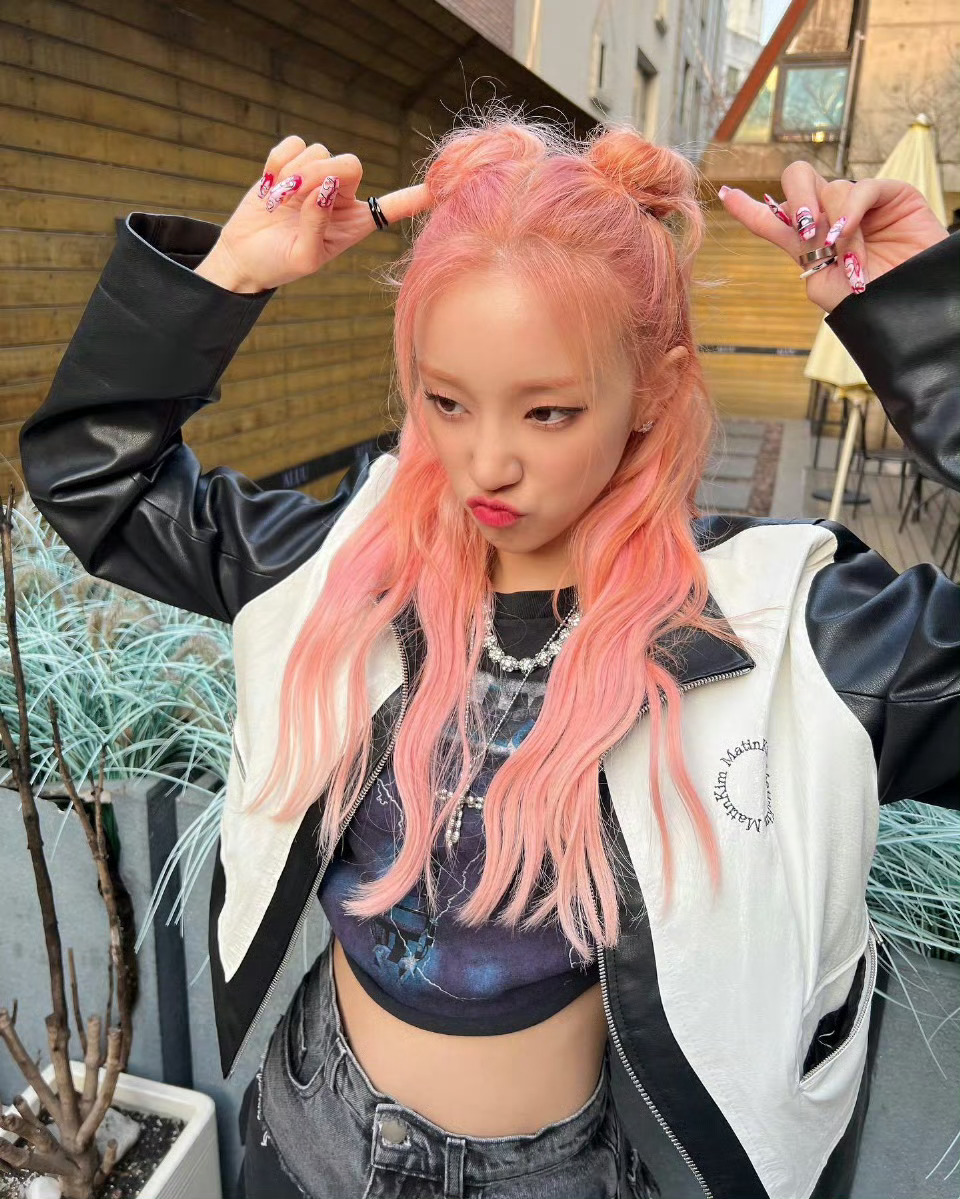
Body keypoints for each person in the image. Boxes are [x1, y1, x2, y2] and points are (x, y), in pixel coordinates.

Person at [19, 106, 959, 1199]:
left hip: (554, 1175)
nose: (487, 463)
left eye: (548, 412)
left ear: (654, 387)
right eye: (447, 401)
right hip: (307, 1129)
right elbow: (99, 481)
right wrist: (231, 273)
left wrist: (932, 332)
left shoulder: (780, 631)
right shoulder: (349, 565)